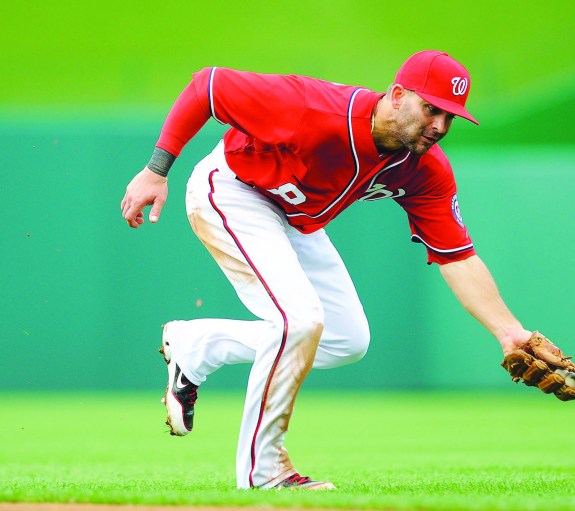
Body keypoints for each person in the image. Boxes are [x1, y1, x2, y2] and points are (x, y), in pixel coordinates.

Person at [121, 50, 534, 491]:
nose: (440, 126)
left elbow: (457, 256)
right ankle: (264, 473)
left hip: (296, 218)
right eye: (432, 109)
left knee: (346, 340)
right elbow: (208, 85)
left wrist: (510, 332)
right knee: (299, 320)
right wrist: (155, 170)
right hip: (234, 189)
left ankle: (198, 345)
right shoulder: (314, 108)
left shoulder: (424, 169)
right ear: (396, 96)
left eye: (451, 117)